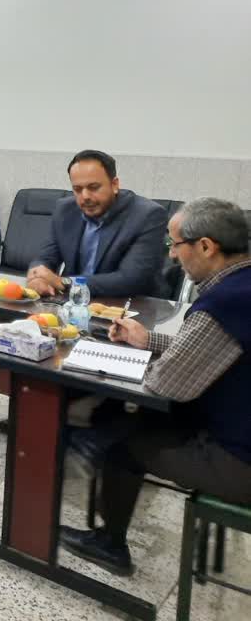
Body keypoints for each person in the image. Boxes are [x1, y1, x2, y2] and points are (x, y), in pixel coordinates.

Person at [59, 198, 251, 576]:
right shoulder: (241, 286)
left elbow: (166, 385)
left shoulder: (225, 302)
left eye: (175, 245)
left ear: (206, 246)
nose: (173, 256)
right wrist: (148, 341)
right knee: (128, 421)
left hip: (237, 460)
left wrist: (113, 366)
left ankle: (110, 546)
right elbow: (212, 349)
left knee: (122, 444)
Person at [27, 150, 167, 299]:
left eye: (93, 187)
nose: (85, 196)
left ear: (114, 185)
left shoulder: (148, 215)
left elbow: (132, 279)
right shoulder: (65, 210)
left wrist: (65, 282)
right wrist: (37, 276)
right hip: (74, 302)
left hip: (130, 304)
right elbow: (45, 257)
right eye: (77, 189)